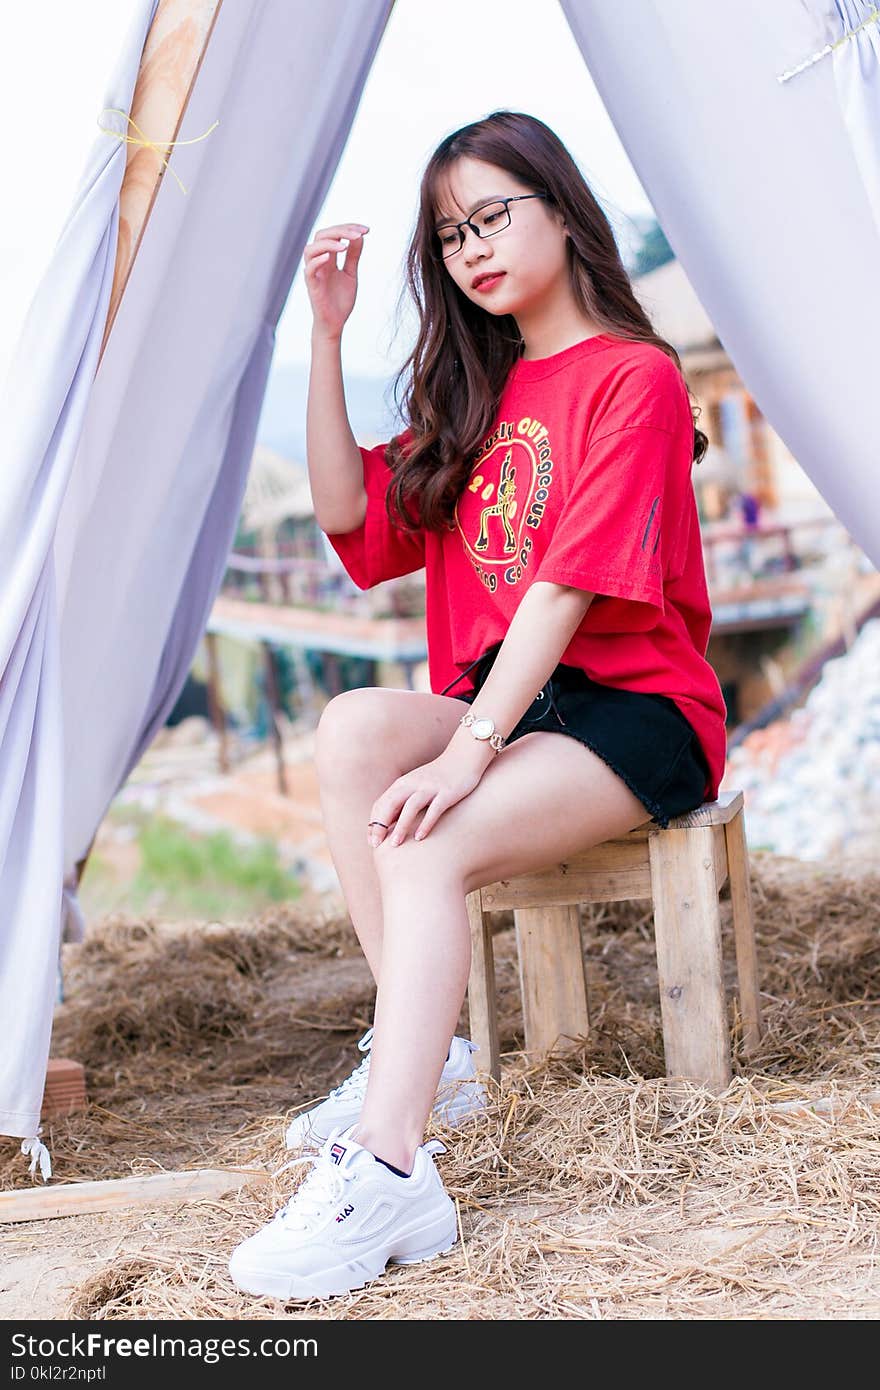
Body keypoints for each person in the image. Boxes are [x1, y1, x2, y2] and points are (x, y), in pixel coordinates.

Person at [229, 109, 727, 1302]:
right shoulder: (483, 394)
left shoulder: (635, 377)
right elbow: (351, 515)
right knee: (351, 728)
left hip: (630, 706)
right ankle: (427, 1060)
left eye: (493, 214)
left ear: (561, 208)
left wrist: (468, 747)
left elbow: (563, 585)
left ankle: (390, 1167)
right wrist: (329, 329)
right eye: (450, 234)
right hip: (515, 702)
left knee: (431, 832)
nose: (471, 249)